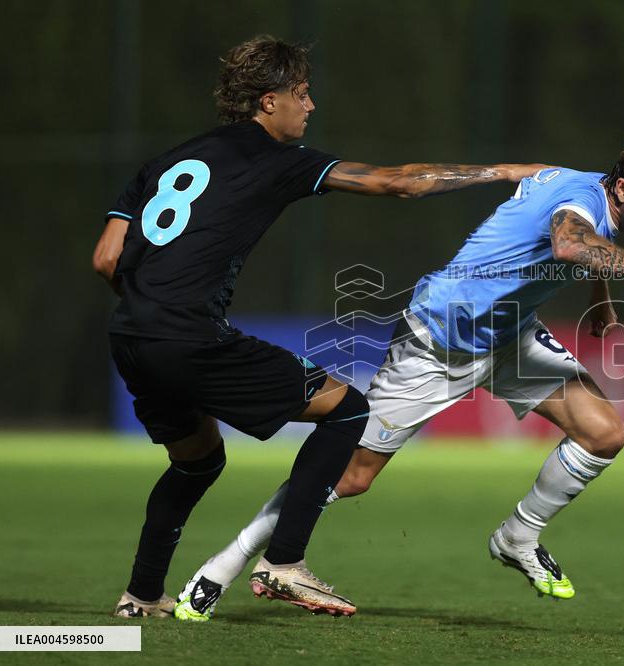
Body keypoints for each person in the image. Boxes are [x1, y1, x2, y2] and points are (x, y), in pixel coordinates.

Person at [92, 34, 545, 620]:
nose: (310, 106)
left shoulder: (167, 161)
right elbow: (398, 182)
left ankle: (141, 597)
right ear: (266, 101)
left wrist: (150, 310)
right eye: (300, 94)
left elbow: (106, 258)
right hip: (185, 334)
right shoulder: (275, 158)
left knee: (197, 461)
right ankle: (283, 561)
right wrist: (505, 171)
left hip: (129, 333)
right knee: (349, 411)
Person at [175, 130, 624, 621]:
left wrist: (600, 299)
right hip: (438, 340)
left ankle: (519, 535)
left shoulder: (571, 179)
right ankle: (222, 566)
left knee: (605, 433)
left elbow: (565, 224)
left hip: (508, 337)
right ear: (620, 188)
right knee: (352, 477)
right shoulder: (579, 201)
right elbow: (571, 243)